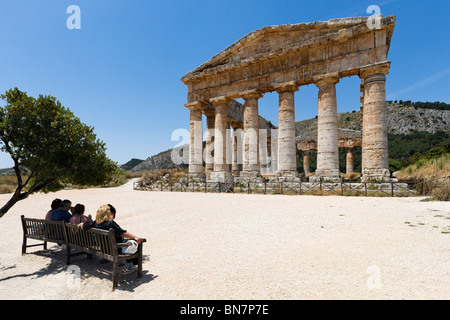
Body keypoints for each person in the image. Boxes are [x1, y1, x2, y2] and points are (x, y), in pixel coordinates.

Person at [78, 204, 142, 267]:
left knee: (130, 241)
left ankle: (130, 263)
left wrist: (81, 224)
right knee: (137, 242)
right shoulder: (110, 223)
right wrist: (135, 237)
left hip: (104, 249)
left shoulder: (95, 223)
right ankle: (133, 264)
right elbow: (122, 233)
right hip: (116, 249)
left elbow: (84, 225)